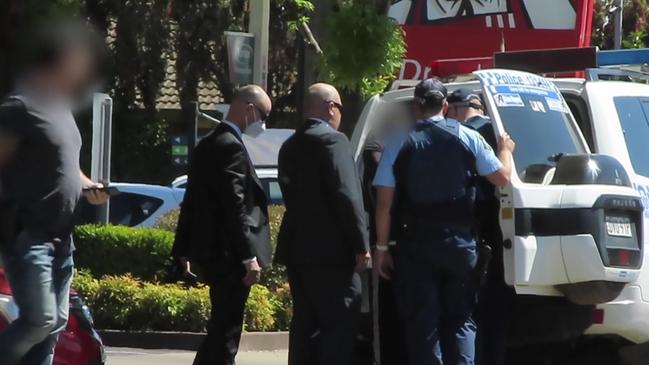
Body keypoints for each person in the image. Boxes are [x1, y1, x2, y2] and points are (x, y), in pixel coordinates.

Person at [373, 79, 515, 365]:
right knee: (461, 321)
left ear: (416, 106)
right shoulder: (469, 138)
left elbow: (384, 204)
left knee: (424, 326)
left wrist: (382, 248)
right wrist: (506, 151)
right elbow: (503, 178)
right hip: (460, 246)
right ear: (446, 107)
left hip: (416, 248)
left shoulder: (400, 141)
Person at [0, 20, 109, 365]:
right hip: (29, 237)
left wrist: (89, 185)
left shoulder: (61, 109)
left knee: (53, 327)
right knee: (40, 321)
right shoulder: (19, 107)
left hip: (63, 239)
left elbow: (66, 165)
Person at [172, 85, 273, 365]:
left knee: (219, 330)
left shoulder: (207, 143)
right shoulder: (231, 146)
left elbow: (191, 201)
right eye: (264, 115)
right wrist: (248, 256)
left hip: (212, 253)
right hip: (230, 256)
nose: (264, 123)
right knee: (226, 333)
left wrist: (183, 248)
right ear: (248, 108)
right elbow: (235, 206)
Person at [275, 83, 371, 365]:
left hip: (298, 250)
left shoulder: (289, 146)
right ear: (331, 107)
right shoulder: (334, 141)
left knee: (305, 324)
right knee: (339, 325)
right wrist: (360, 245)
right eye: (340, 108)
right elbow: (347, 195)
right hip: (333, 254)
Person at [447, 88, 516, 365]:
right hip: (499, 235)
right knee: (494, 315)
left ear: (454, 109)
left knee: (465, 315)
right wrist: (506, 150)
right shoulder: (498, 131)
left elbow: (503, 176)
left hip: (464, 234)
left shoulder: (459, 134)